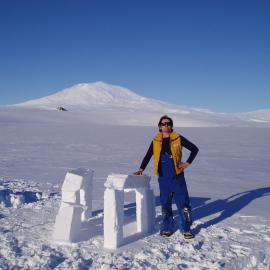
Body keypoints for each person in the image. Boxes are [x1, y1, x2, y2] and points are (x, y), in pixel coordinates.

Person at [133, 115, 199, 239]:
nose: (166, 125)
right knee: (165, 204)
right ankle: (167, 227)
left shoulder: (178, 138)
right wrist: (141, 169)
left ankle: (186, 229)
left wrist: (187, 163)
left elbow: (194, 149)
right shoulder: (156, 140)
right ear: (159, 126)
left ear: (171, 126)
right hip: (163, 177)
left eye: (168, 123)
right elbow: (148, 155)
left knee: (183, 203)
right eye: (163, 124)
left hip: (177, 176)